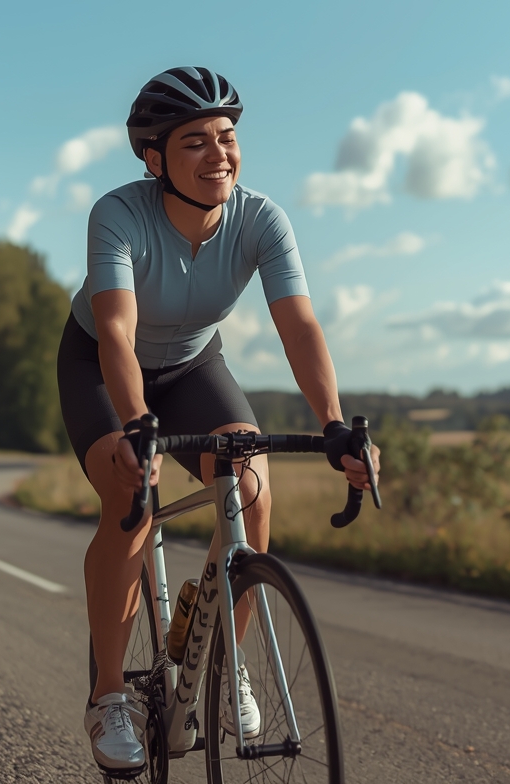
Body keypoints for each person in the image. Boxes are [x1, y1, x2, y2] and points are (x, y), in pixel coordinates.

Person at [57, 66, 379, 774]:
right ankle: (110, 694)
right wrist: (138, 425)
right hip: (104, 369)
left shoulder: (261, 218)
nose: (218, 155)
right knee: (131, 501)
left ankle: (226, 664)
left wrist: (331, 425)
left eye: (227, 138)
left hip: (195, 367)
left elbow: (299, 326)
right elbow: (115, 331)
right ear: (154, 160)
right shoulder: (119, 214)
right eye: (194, 142)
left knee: (251, 480)